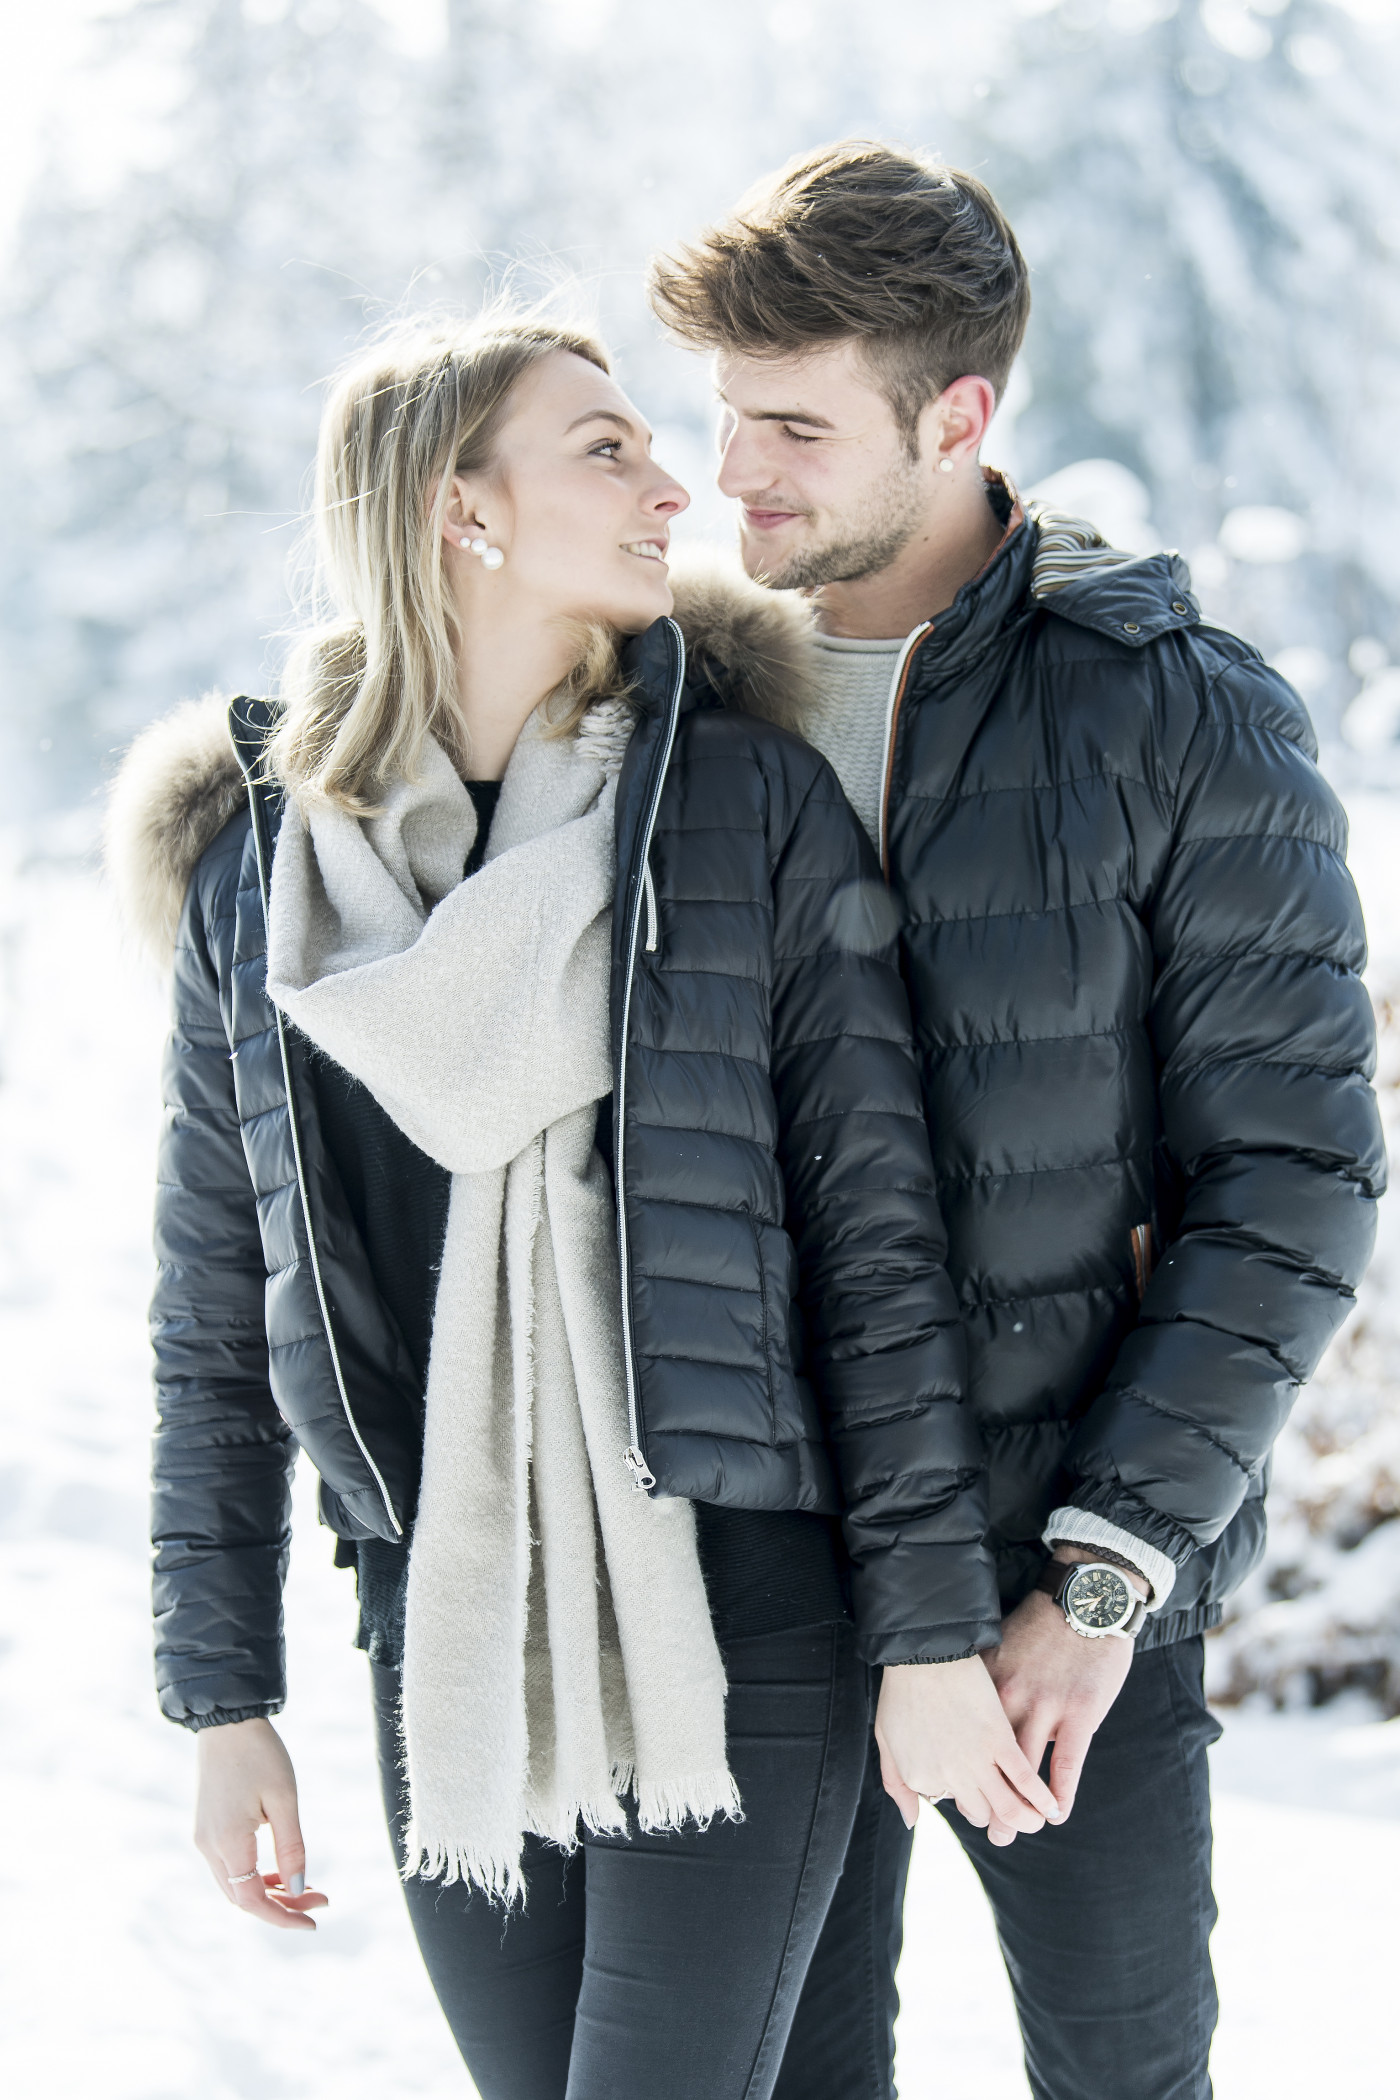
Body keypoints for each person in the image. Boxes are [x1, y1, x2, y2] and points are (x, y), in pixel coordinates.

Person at [106, 313, 1065, 2100]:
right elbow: (217, 1314)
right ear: (459, 506)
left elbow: (878, 1254)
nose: (674, 484)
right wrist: (223, 1704)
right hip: (446, 1622)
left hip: (744, 1609)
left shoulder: (738, 813)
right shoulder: (273, 875)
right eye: (606, 448)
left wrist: (928, 1629)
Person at [648, 141, 1385, 2100]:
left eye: (792, 427)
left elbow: (1294, 1175)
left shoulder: (1175, 715)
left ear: (958, 414)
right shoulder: (677, 721)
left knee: (1125, 2076)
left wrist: (1103, 1576)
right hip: (766, 1579)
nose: (736, 480)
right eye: (722, 421)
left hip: (1067, 1588)